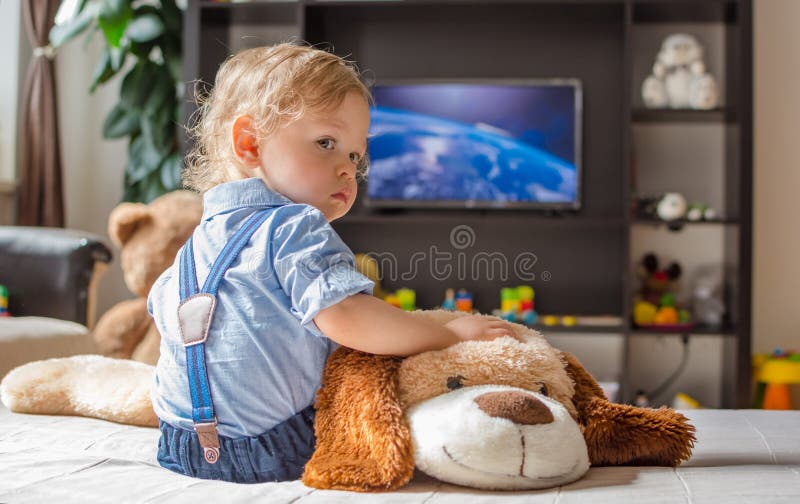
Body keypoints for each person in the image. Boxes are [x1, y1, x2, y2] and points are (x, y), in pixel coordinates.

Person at [148, 43, 516, 484]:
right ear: (250, 144)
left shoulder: (192, 248)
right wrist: (447, 334)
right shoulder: (294, 226)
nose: (348, 169)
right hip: (271, 445)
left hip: (177, 443)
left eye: (355, 155)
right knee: (384, 376)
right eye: (326, 143)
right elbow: (346, 316)